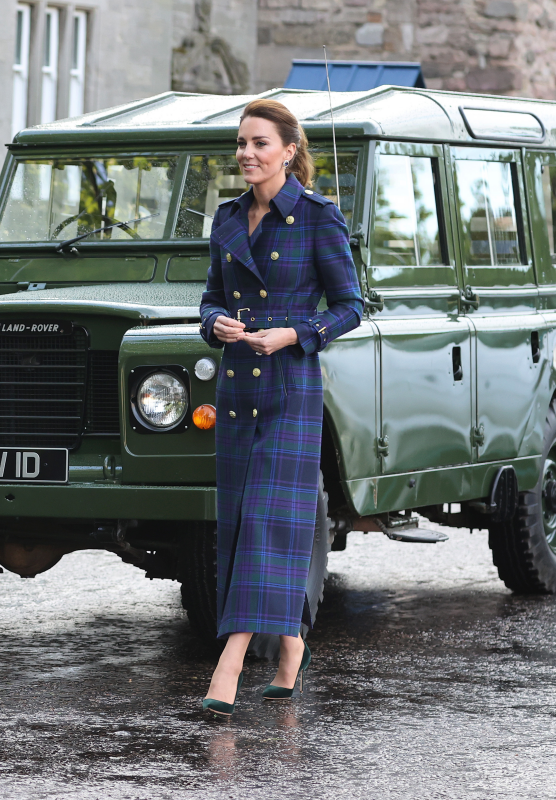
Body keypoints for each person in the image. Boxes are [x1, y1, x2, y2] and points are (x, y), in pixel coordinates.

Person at [197, 99, 363, 715]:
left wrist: (294, 335)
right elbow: (211, 297)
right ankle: (290, 647)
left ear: (288, 151)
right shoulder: (229, 217)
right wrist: (215, 324)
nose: (246, 153)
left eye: (259, 143)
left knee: (268, 520)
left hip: (291, 387)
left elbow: (351, 306)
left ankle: (232, 659)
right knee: (244, 523)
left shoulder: (320, 217)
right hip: (238, 389)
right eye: (241, 143)